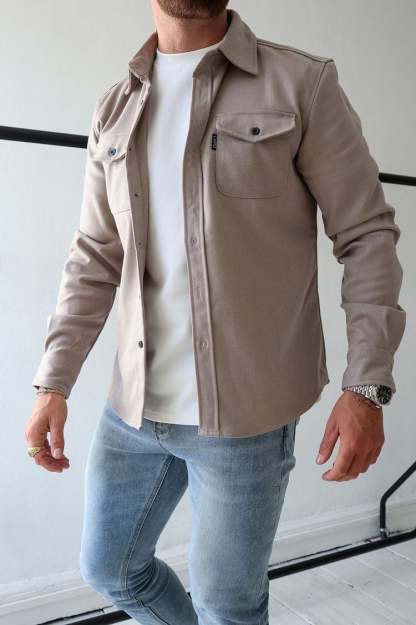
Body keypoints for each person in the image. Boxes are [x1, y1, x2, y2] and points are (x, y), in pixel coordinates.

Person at [25, 1, 406, 623]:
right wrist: (53, 382)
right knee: (111, 568)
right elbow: (95, 254)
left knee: (227, 607)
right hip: (133, 408)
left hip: (246, 419)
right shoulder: (115, 106)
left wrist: (366, 385)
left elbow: (366, 234)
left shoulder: (301, 84)